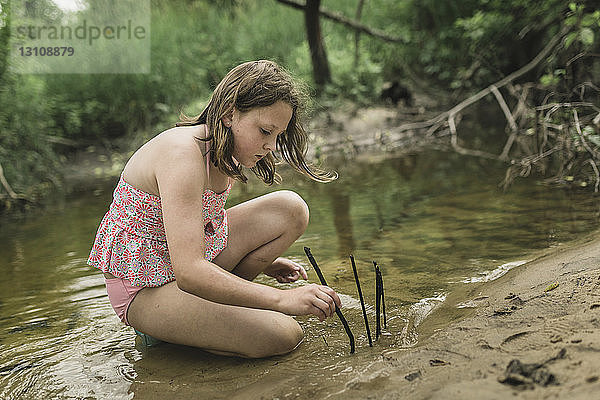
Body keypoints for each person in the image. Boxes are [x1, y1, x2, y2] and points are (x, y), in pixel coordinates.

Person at [87, 60, 341, 358]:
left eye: (277, 136)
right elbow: (190, 272)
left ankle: (209, 318)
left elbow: (202, 226)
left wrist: (266, 263)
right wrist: (281, 299)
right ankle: (168, 329)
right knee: (285, 334)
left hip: (174, 264)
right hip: (145, 289)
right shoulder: (182, 155)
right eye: (264, 131)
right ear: (229, 114)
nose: (271, 146)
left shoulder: (222, 151)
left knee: (291, 208)